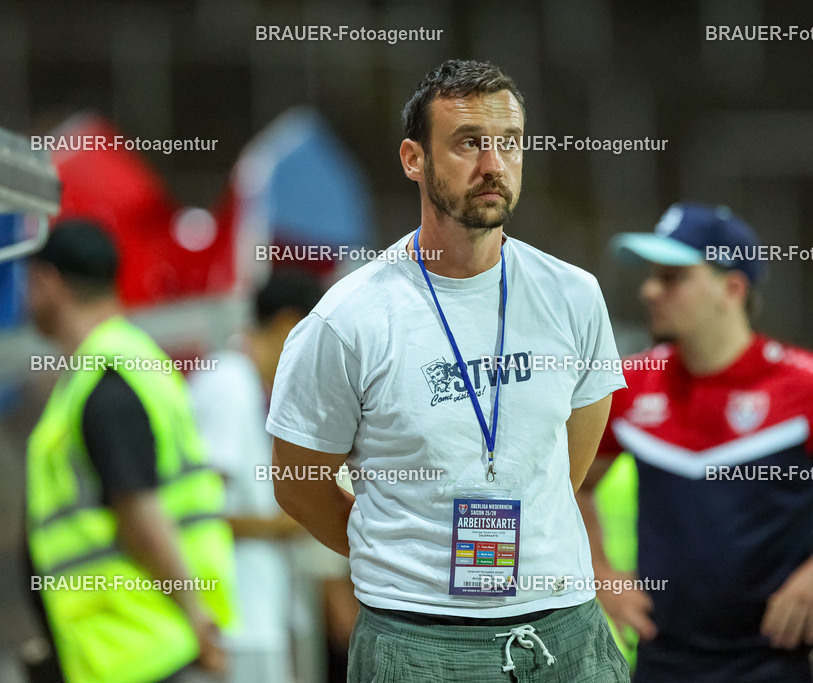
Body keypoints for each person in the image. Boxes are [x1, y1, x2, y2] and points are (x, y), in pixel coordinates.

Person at [266, 59, 630, 682]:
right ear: (414, 158)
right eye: (468, 143)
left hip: (565, 627)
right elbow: (298, 482)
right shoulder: (349, 319)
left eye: (508, 143)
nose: (493, 164)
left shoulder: (573, 295)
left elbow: (567, 467)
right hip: (417, 640)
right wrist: (400, 558)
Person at [578, 203, 813, 682]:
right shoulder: (634, 383)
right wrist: (601, 576)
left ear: (732, 288)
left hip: (788, 659)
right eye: (651, 277)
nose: (650, 290)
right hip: (668, 660)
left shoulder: (809, 387)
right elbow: (570, 481)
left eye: (673, 277)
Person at [24, 220, 237, 683]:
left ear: (46, 282)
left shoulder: (104, 376)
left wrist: (196, 617)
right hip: (148, 643)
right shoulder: (132, 360)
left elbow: (140, 510)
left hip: (139, 646)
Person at [188, 268, 323, 683]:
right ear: (287, 325)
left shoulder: (252, 388)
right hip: (234, 618)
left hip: (256, 615)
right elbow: (194, 514)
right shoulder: (228, 383)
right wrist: (290, 522)